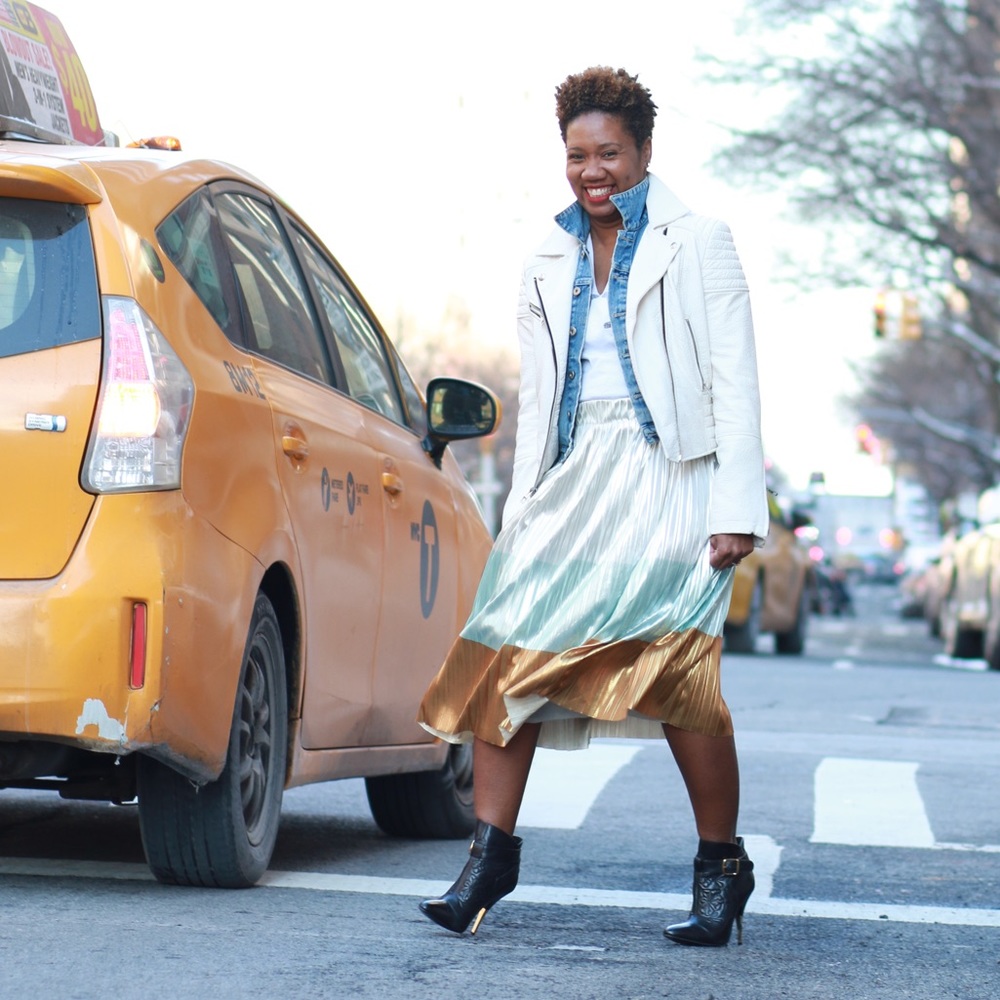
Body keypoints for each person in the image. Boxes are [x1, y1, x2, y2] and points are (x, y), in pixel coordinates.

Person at [416, 66, 769, 947]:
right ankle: (489, 857)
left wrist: (735, 509)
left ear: (645, 152)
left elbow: (735, 380)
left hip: (670, 475)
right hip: (573, 479)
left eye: (609, 152)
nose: (592, 169)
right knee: (506, 656)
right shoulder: (547, 254)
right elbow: (541, 397)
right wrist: (526, 504)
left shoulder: (701, 240)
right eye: (578, 154)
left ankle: (720, 866)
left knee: (678, 677)